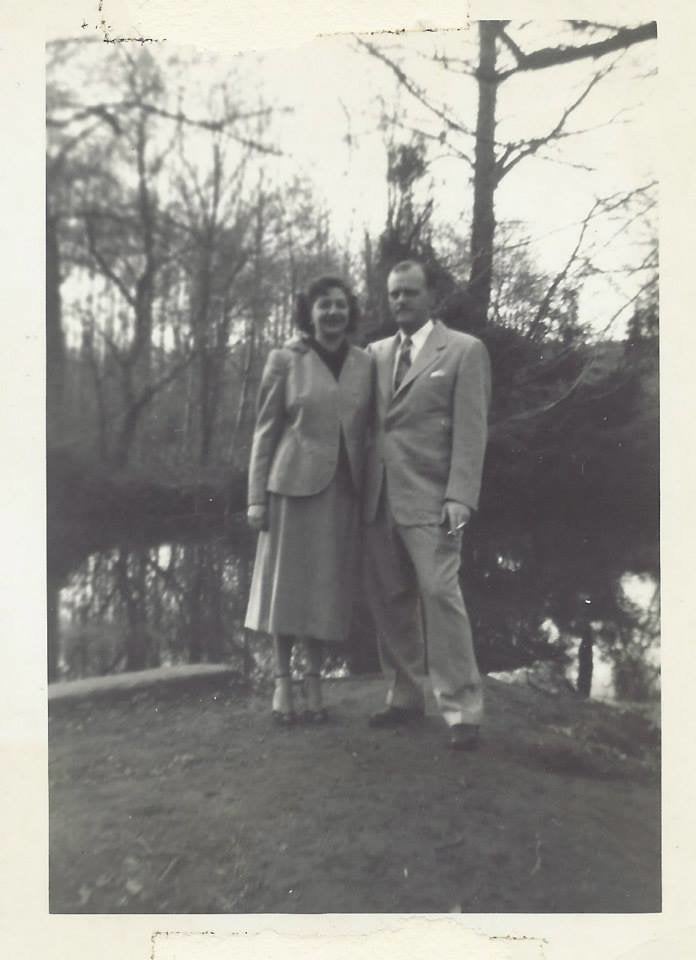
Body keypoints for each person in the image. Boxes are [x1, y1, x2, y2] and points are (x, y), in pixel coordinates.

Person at [364, 260, 491, 750]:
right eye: (394, 294)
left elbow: (471, 430)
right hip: (379, 500)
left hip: (433, 500)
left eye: (410, 293)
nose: (400, 301)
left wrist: (461, 494)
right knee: (390, 600)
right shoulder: (372, 355)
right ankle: (404, 696)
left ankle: (463, 711)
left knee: (440, 596)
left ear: (431, 296)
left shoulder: (463, 351)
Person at [245, 276, 374, 726]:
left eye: (340, 305)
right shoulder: (286, 359)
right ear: (309, 312)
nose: (333, 313)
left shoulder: (364, 362)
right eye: (324, 306)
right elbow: (265, 431)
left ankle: (315, 680)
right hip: (289, 487)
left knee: (322, 588)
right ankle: (283, 682)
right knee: (286, 588)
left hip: (341, 493)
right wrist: (254, 498)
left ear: (349, 312)